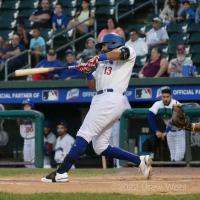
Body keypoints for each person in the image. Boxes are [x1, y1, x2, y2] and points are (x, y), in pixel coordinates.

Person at [41, 33, 152, 183]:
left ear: (113, 43)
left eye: (104, 46)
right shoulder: (101, 64)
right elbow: (94, 87)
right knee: (100, 146)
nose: (102, 49)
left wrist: (97, 58)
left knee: (84, 134)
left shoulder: (128, 50)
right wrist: (87, 72)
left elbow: (120, 53)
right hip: (101, 98)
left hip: (111, 99)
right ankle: (140, 161)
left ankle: (62, 172)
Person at [148, 86, 186, 161]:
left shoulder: (176, 103)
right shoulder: (158, 104)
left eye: (167, 97)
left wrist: (166, 131)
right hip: (170, 133)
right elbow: (150, 116)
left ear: (171, 96)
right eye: (163, 97)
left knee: (179, 157)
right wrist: (156, 130)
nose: (165, 99)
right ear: (161, 97)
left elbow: (174, 120)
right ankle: (173, 172)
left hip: (180, 132)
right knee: (172, 156)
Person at [18, 99, 35, 168]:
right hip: (26, 139)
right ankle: (29, 176)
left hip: (34, 139)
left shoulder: (36, 114)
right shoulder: (21, 117)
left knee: (34, 159)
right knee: (26, 159)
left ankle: (35, 175)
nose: (26, 107)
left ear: (32, 107)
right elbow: (19, 122)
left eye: (28, 106)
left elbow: (32, 119)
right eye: (24, 106)